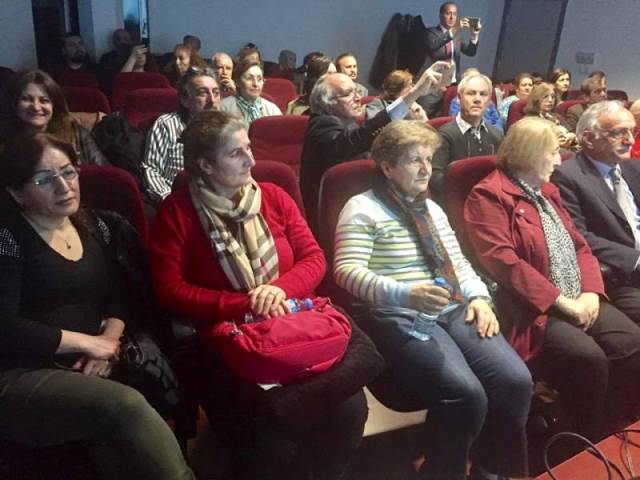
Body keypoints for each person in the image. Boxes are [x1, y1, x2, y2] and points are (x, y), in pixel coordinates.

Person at [148, 110, 383, 480]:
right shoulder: (177, 213)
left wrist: (277, 291)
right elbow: (170, 289)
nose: (251, 160)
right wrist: (246, 303)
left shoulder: (273, 197)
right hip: (231, 336)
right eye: (236, 153)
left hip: (293, 320)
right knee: (271, 441)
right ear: (205, 165)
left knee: (349, 411)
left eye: (249, 148)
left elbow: (314, 258)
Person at [334, 120, 532, 480]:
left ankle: (489, 471)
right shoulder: (362, 208)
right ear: (387, 167)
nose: (426, 168)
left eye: (428, 159)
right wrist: (406, 293)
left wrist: (479, 297)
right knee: (466, 394)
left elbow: (459, 263)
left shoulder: (431, 208)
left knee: (515, 382)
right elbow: (346, 272)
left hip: (453, 306)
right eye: (414, 160)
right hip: (398, 312)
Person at [0, 132, 194, 480]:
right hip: (23, 371)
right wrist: (90, 343)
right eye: (44, 180)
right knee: (125, 405)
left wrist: (109, 343)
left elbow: (117, 296)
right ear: (16, 193)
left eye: (68, 172)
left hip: (91, 361)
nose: (64, 187)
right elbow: (5, 326)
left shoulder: (94, 226)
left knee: (120, 449)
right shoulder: (8, 238)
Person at [465, 116, 640, 441]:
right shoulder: (488, 195)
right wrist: (562, 303)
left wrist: (590, 293)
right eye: (552, 153)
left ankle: (611, 428)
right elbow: (505, 263)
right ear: (529, 154)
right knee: (588, 359)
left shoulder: (546, 191)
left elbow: (580, 246)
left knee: (631, 344)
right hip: (533, 308)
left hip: (577, 294)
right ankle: (581, 441)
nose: (559, 161)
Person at [299, 61, 452, 232]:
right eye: (348, 94)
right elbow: (355, 141)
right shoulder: (321, 125)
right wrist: (413, 93)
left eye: (357, 91)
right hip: (333, 221)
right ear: (327, 103)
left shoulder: (346, 122)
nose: (358, 97)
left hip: (359, 207)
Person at [552, 101, 640, 325]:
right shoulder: (567, 176)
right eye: (618, 133)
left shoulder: (633, 167)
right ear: (589, 139)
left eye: (632, 131)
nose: (630, 140)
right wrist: (636, 259)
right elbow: (579, 236)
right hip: (620, 276)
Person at [143, 68, 220, 205]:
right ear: (185, 100)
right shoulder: (166, 125)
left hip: (218, 201)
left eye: (216, 93)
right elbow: (151, 170)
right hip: (178, 200)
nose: (212, 100)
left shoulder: (228, 128)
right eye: (203, 93)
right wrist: (170, 201)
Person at [0, 69, 107, 166]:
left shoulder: (76, 134)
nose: (36, 107)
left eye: (44, 100)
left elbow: (104, 174)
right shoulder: (4, 141)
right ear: (13, 103)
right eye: (26, 99)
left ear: (54, 106)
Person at [430, 72, 503, 204]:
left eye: (483, 94)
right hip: (455, 202)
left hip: (488, 201)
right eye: (471, 93)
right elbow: (434, 178)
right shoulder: (444, 135)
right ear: (459, 98)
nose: (477, 99)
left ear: (489, 101)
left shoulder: (496, 135)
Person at [418, 1, 481, 117]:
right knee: (425, 117)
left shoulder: (457, 35)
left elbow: (470, 52)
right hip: (433, 85)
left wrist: (474, 35)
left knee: (447, 117)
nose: (452, 17)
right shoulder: (430, 32)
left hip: (452, 85)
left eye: (455, 14)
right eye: (448, 13)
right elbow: (434, 45)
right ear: (440, 15)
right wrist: (453, 30)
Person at [220, 60, 281, 124]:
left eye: (259, 79)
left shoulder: (272, 109)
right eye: (249, 78)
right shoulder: (224, 108)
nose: (255, 84)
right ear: (237, 82)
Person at [523, 82, 577, 150]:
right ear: (536, 100)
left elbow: (572, 133)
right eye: (545, 96)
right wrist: (557, 143)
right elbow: (535, 145)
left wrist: (572, 136)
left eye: (553, 97)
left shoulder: (557, 116)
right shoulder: (529, 121)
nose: (550, 100)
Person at [448, 68, 504, 132]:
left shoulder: (489, 101)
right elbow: (456, 120)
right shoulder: (457, 101)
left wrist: (494, 132)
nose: (478, 99)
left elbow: (497, 120)